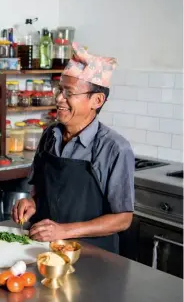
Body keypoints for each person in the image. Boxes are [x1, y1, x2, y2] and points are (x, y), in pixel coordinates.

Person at [12, 43, 134, 254]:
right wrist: (32, 202)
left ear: (96, 100)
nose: (59, 99)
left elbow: (123, 219)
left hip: (94, 257)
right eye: (59, 90)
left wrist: (64, 231)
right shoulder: (50, 135)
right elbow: (42, 190)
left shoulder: (114, 148)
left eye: (69, 93)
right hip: (45, 251)